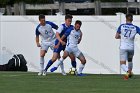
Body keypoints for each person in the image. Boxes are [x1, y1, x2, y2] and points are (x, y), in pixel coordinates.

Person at [115, 13, 140, 80]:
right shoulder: (136, 27)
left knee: (122, 64)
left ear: (126, 18)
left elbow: (116, 36)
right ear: (132, 19)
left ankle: (129, 72)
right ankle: (128, 76)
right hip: (131, 48)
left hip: (123, 47)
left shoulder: (122, 26)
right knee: (130, 60)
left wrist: (122, 37)